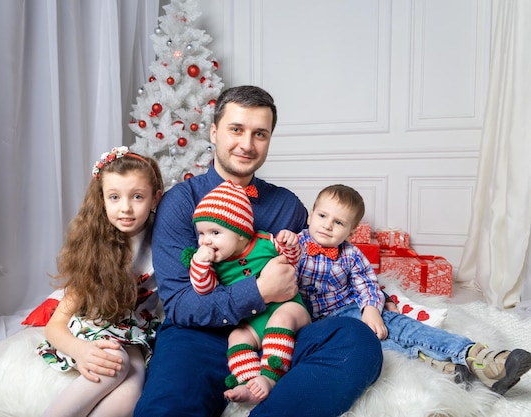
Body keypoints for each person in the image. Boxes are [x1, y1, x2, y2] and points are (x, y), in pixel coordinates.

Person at [134, 85, 383, 417]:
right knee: (166, 409)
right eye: (236, 129)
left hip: (275, 334)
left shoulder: (286, 207)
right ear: (214, 132)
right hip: (199, 336)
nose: (247, 144)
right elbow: (179, 305)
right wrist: (259, 290)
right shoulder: (182, 202)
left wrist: (373, 302)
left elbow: (324, 266)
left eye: (260, 134)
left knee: (358, 341)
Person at [297, 183, 531, 395]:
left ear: (350, 232)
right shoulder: (295, 245)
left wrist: (371, 308)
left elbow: (366, 282)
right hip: (322, 325)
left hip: (351, 307)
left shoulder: (351, 254)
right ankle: (445, 368)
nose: (327, 225)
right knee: (381, 346)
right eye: (322, 215)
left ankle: (480, 357)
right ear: (310, 216)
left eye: (338, 222)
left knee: (402, 326)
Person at [36, 146, 164, 417]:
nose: (126, 208)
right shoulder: (96, 246)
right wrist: (80, 351)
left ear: (155, 198)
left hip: (135, 337)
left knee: (133, 391)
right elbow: (55, 326)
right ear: (102, 200)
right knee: (114, 359)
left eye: (137, 196)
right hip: (94, 331)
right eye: (114, 197)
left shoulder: (165, 239)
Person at [183, 179, 311, 404]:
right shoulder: (214, 262)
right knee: (237, 336)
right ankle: (248, 382)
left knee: (281, 318)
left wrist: (290, 243)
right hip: (253, 321)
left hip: (289, 309)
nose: (206, 241)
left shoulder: (264, 242)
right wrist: (200, 264)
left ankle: (270, 378)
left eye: (215, 232)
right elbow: (205, 290)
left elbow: (292, 260)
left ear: (241, 233)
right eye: (201, 233)